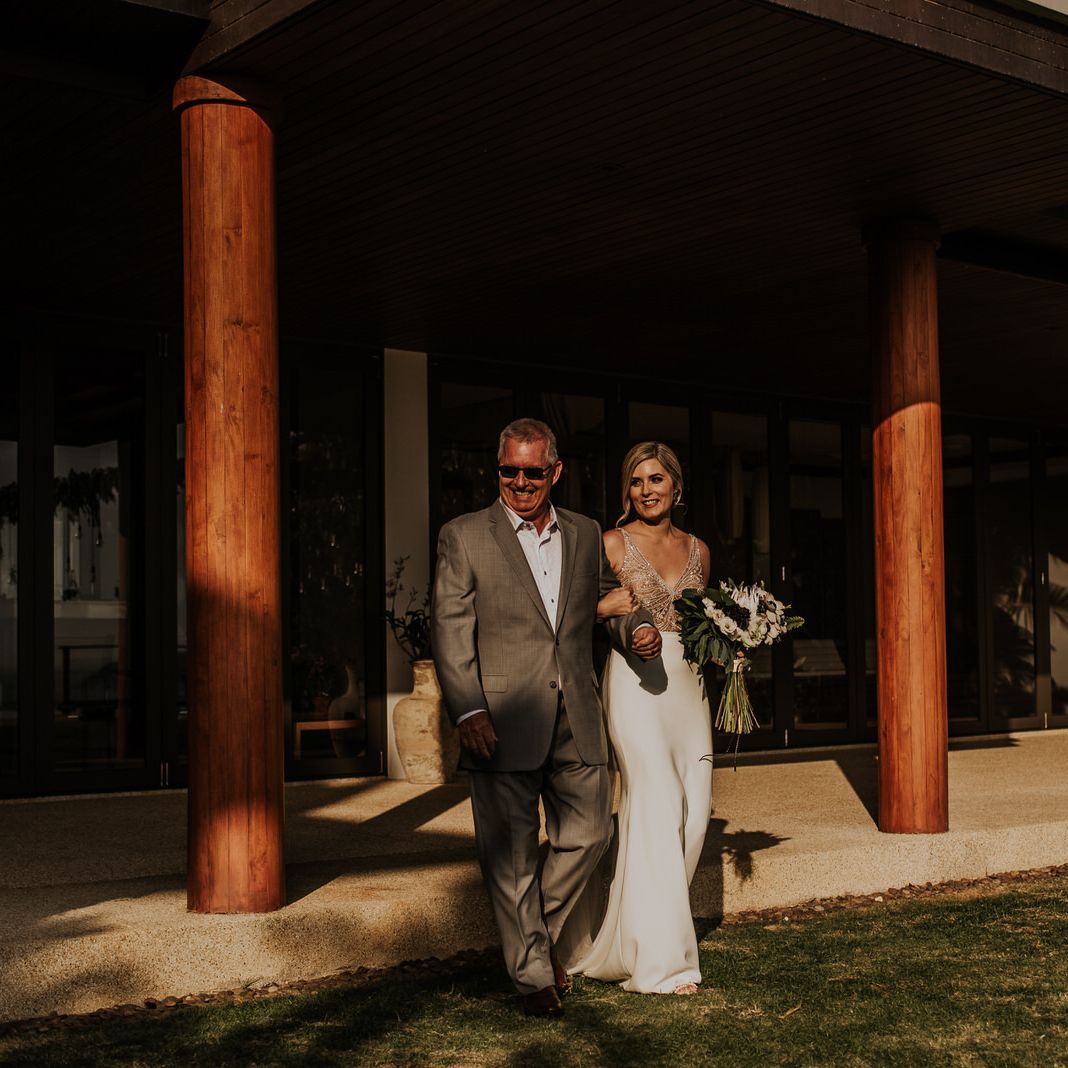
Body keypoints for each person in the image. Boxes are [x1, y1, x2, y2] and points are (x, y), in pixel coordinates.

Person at [431, 417, 662, 1018]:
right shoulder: (464, 535)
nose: (520, 482)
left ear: (555, 471)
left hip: (576, 712)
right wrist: (469, 708)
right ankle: (534, 976)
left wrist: (636, 628)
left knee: (591, 834)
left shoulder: (583, 533)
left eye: (533, 472)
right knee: (509, 857)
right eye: (509, 470)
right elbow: (450, 630)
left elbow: (608, 604)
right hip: (500, 718)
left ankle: (528, 941)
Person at [566, 440, 713, 995]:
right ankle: (663, 964)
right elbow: (563, 613)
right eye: (636, 481)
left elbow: (703, 623)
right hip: (633, 685)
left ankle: (636, 938)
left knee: (694, 814)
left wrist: (732, 645)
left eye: (656, 479)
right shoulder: (610, 543)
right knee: (656, 805)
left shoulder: (700, 550)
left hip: (689, 689)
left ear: (677, 484)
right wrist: (600, 610)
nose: (647, 490)